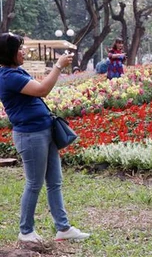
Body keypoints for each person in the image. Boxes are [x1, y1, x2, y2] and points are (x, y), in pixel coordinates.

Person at [0, 33, 90, 242]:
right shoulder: (8, 77)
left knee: (55, 182)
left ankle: (63, 228)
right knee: (34, 183)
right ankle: (26, 231)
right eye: (19, 49)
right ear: (9, 53)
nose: (23, 52)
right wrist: (58, 66)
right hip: (30, 135)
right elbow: (42, 90)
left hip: (44, 130)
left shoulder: (17, 71)